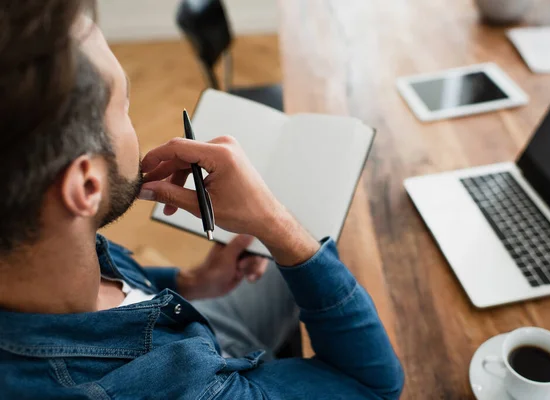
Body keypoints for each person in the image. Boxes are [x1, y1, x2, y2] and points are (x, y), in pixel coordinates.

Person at [0, 1, 404, 399]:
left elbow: (119, 287)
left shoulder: (50, 242)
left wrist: (191, 283)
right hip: (207, 362)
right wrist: (273, 221)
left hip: (187, 323)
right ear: (85, 188)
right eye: (123, 105)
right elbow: (372, 383)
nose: (131, 117)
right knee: (328, 245)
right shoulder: (189, 390)